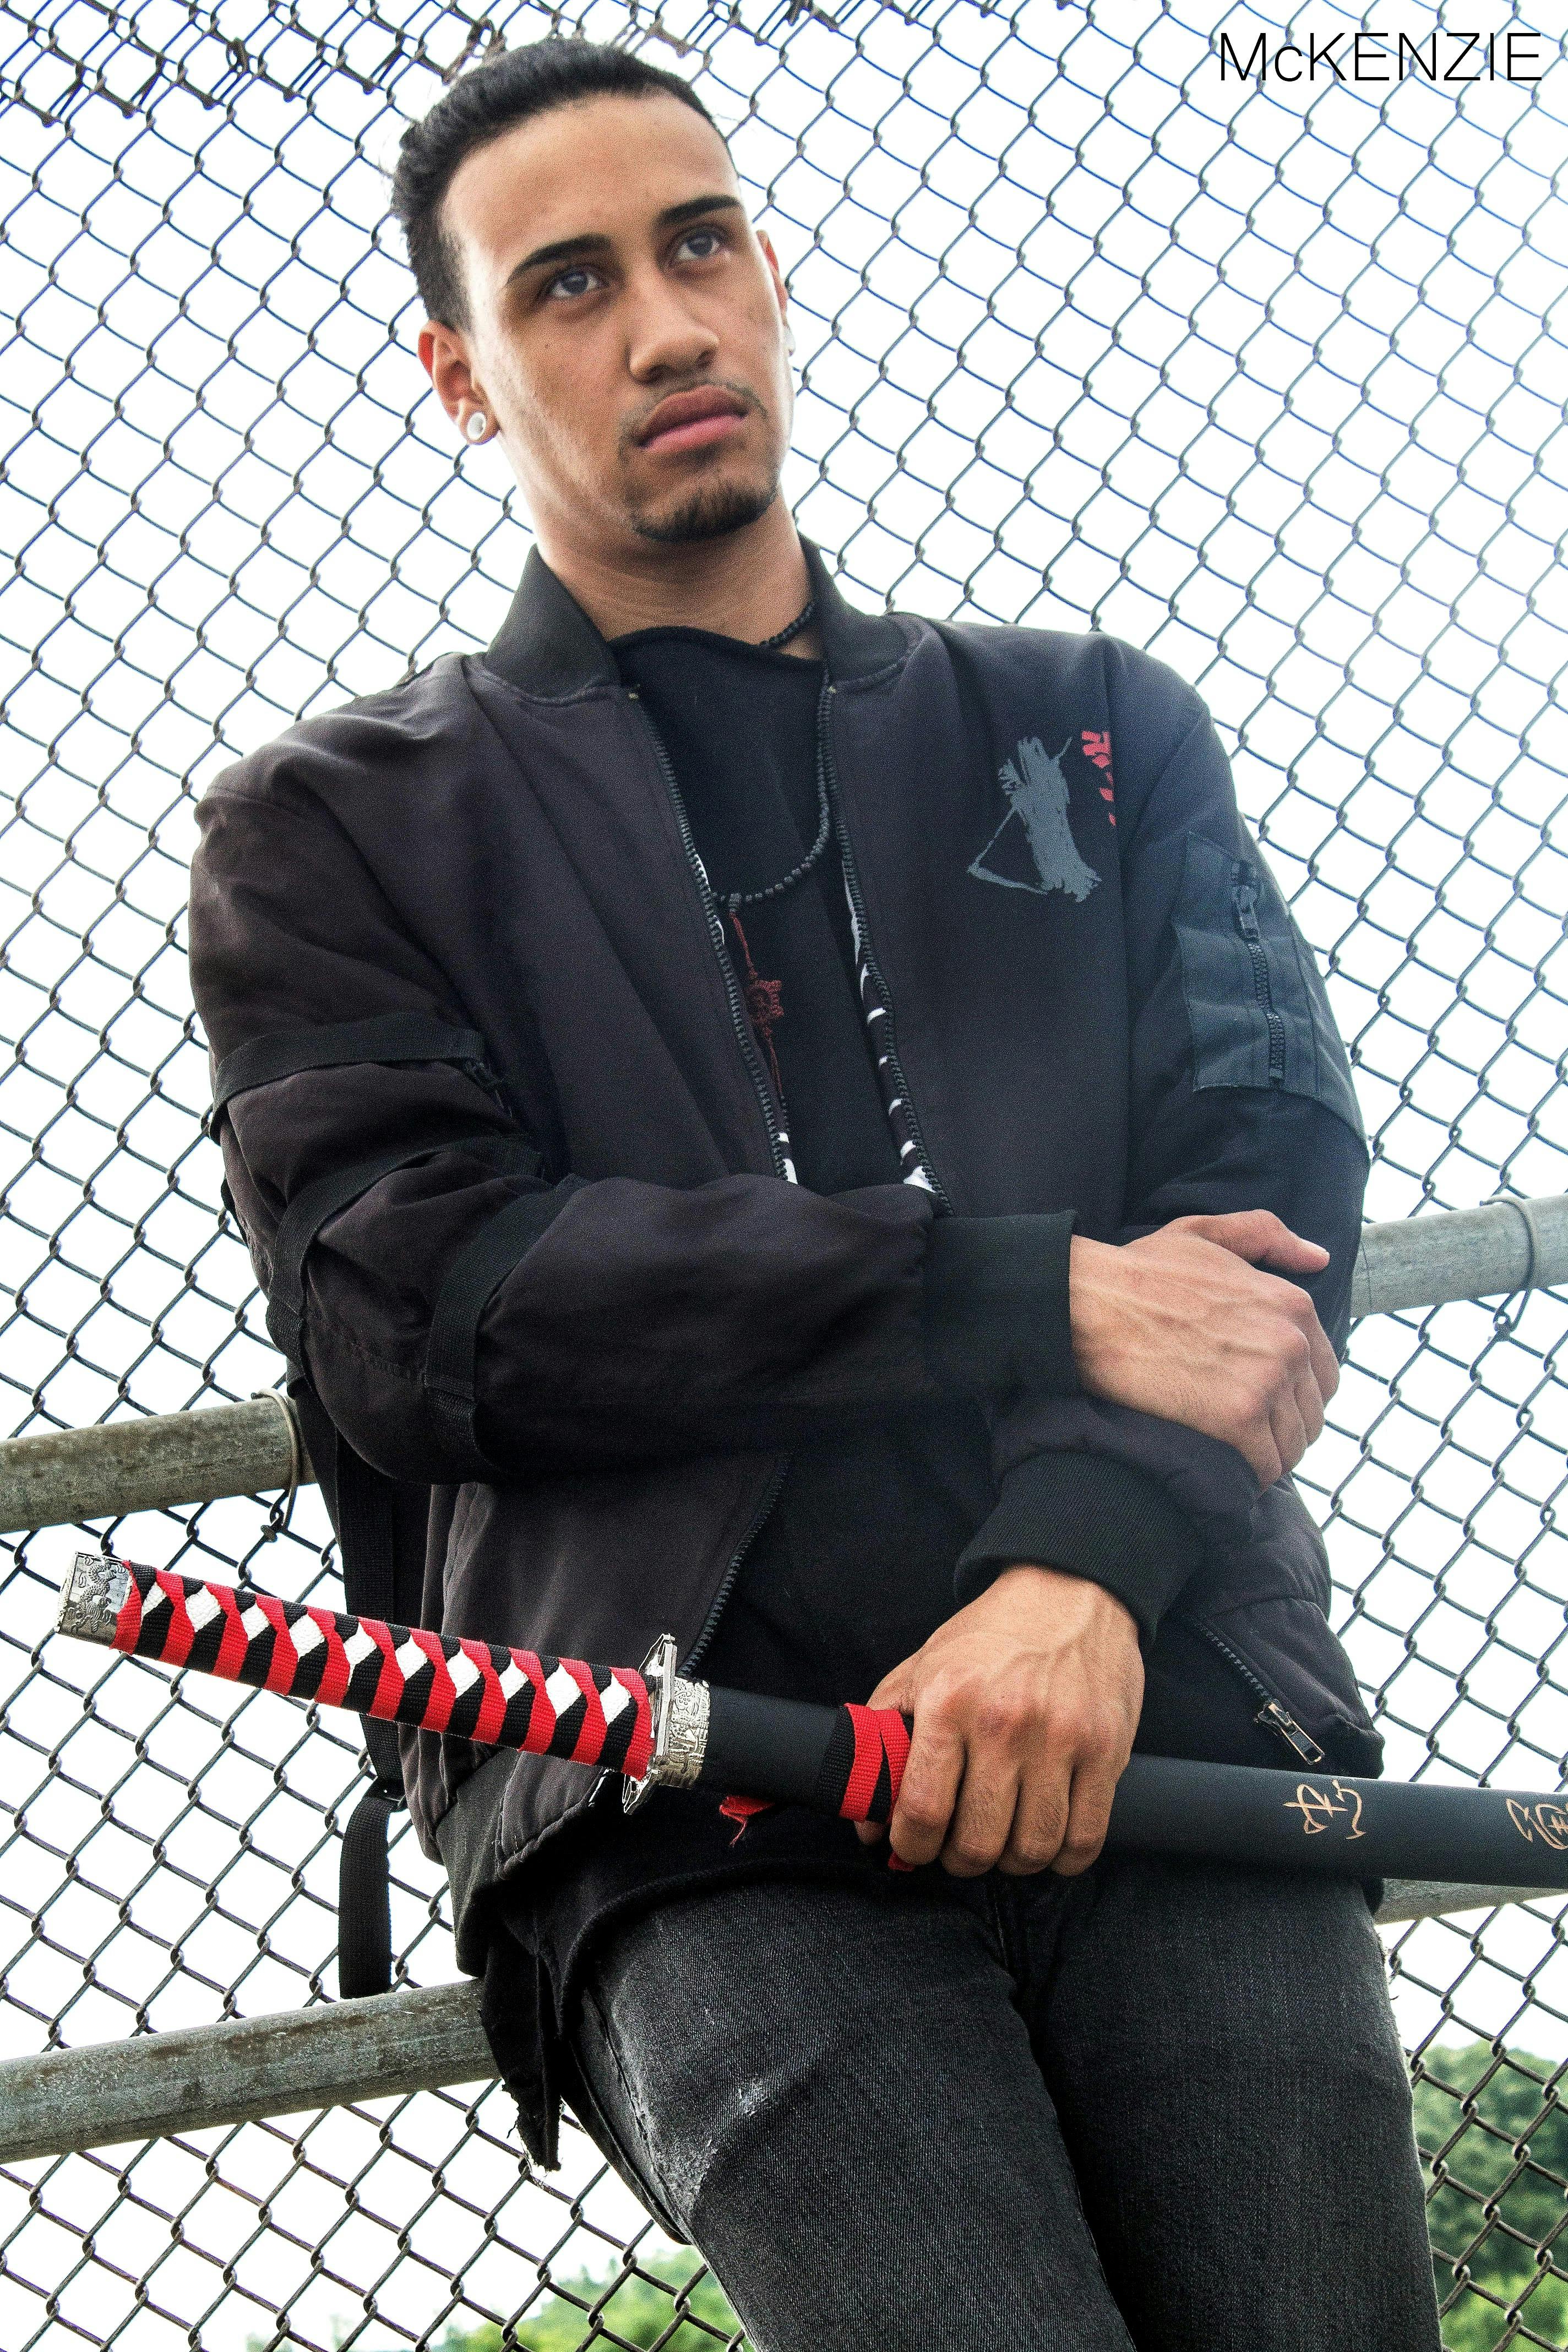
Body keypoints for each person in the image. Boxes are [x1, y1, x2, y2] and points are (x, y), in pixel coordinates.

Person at [188, 39, 1441, 2351]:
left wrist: (1078, 1572)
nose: (662, 325)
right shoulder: (336, 825)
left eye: (697, 245)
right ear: (461, 377)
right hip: (680, 1794)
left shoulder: (1089, 720)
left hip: (1152, 1686)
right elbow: (426, 1310)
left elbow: (1256, 1222)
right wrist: (1018, 1292)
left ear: (773, 273)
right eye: (566, 286)